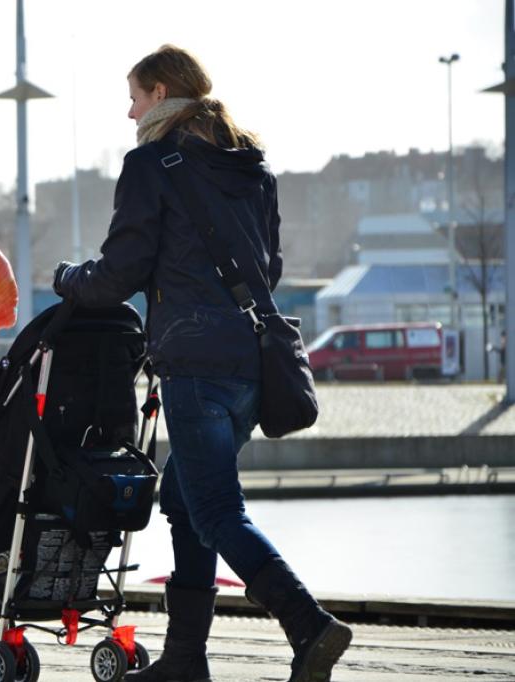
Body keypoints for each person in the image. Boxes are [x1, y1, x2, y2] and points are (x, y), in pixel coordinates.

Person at [52, 44, 351, 682]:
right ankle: (185, 660)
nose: (127, 110)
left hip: (191, 362)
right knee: (187, 502)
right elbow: (266, 270)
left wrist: (68, 279)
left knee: (216, 510)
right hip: (250, 362)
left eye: (133, 95)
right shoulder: (253, 169)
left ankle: (309, 625)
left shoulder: (149, 164)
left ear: (161, 93)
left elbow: (121, 271)